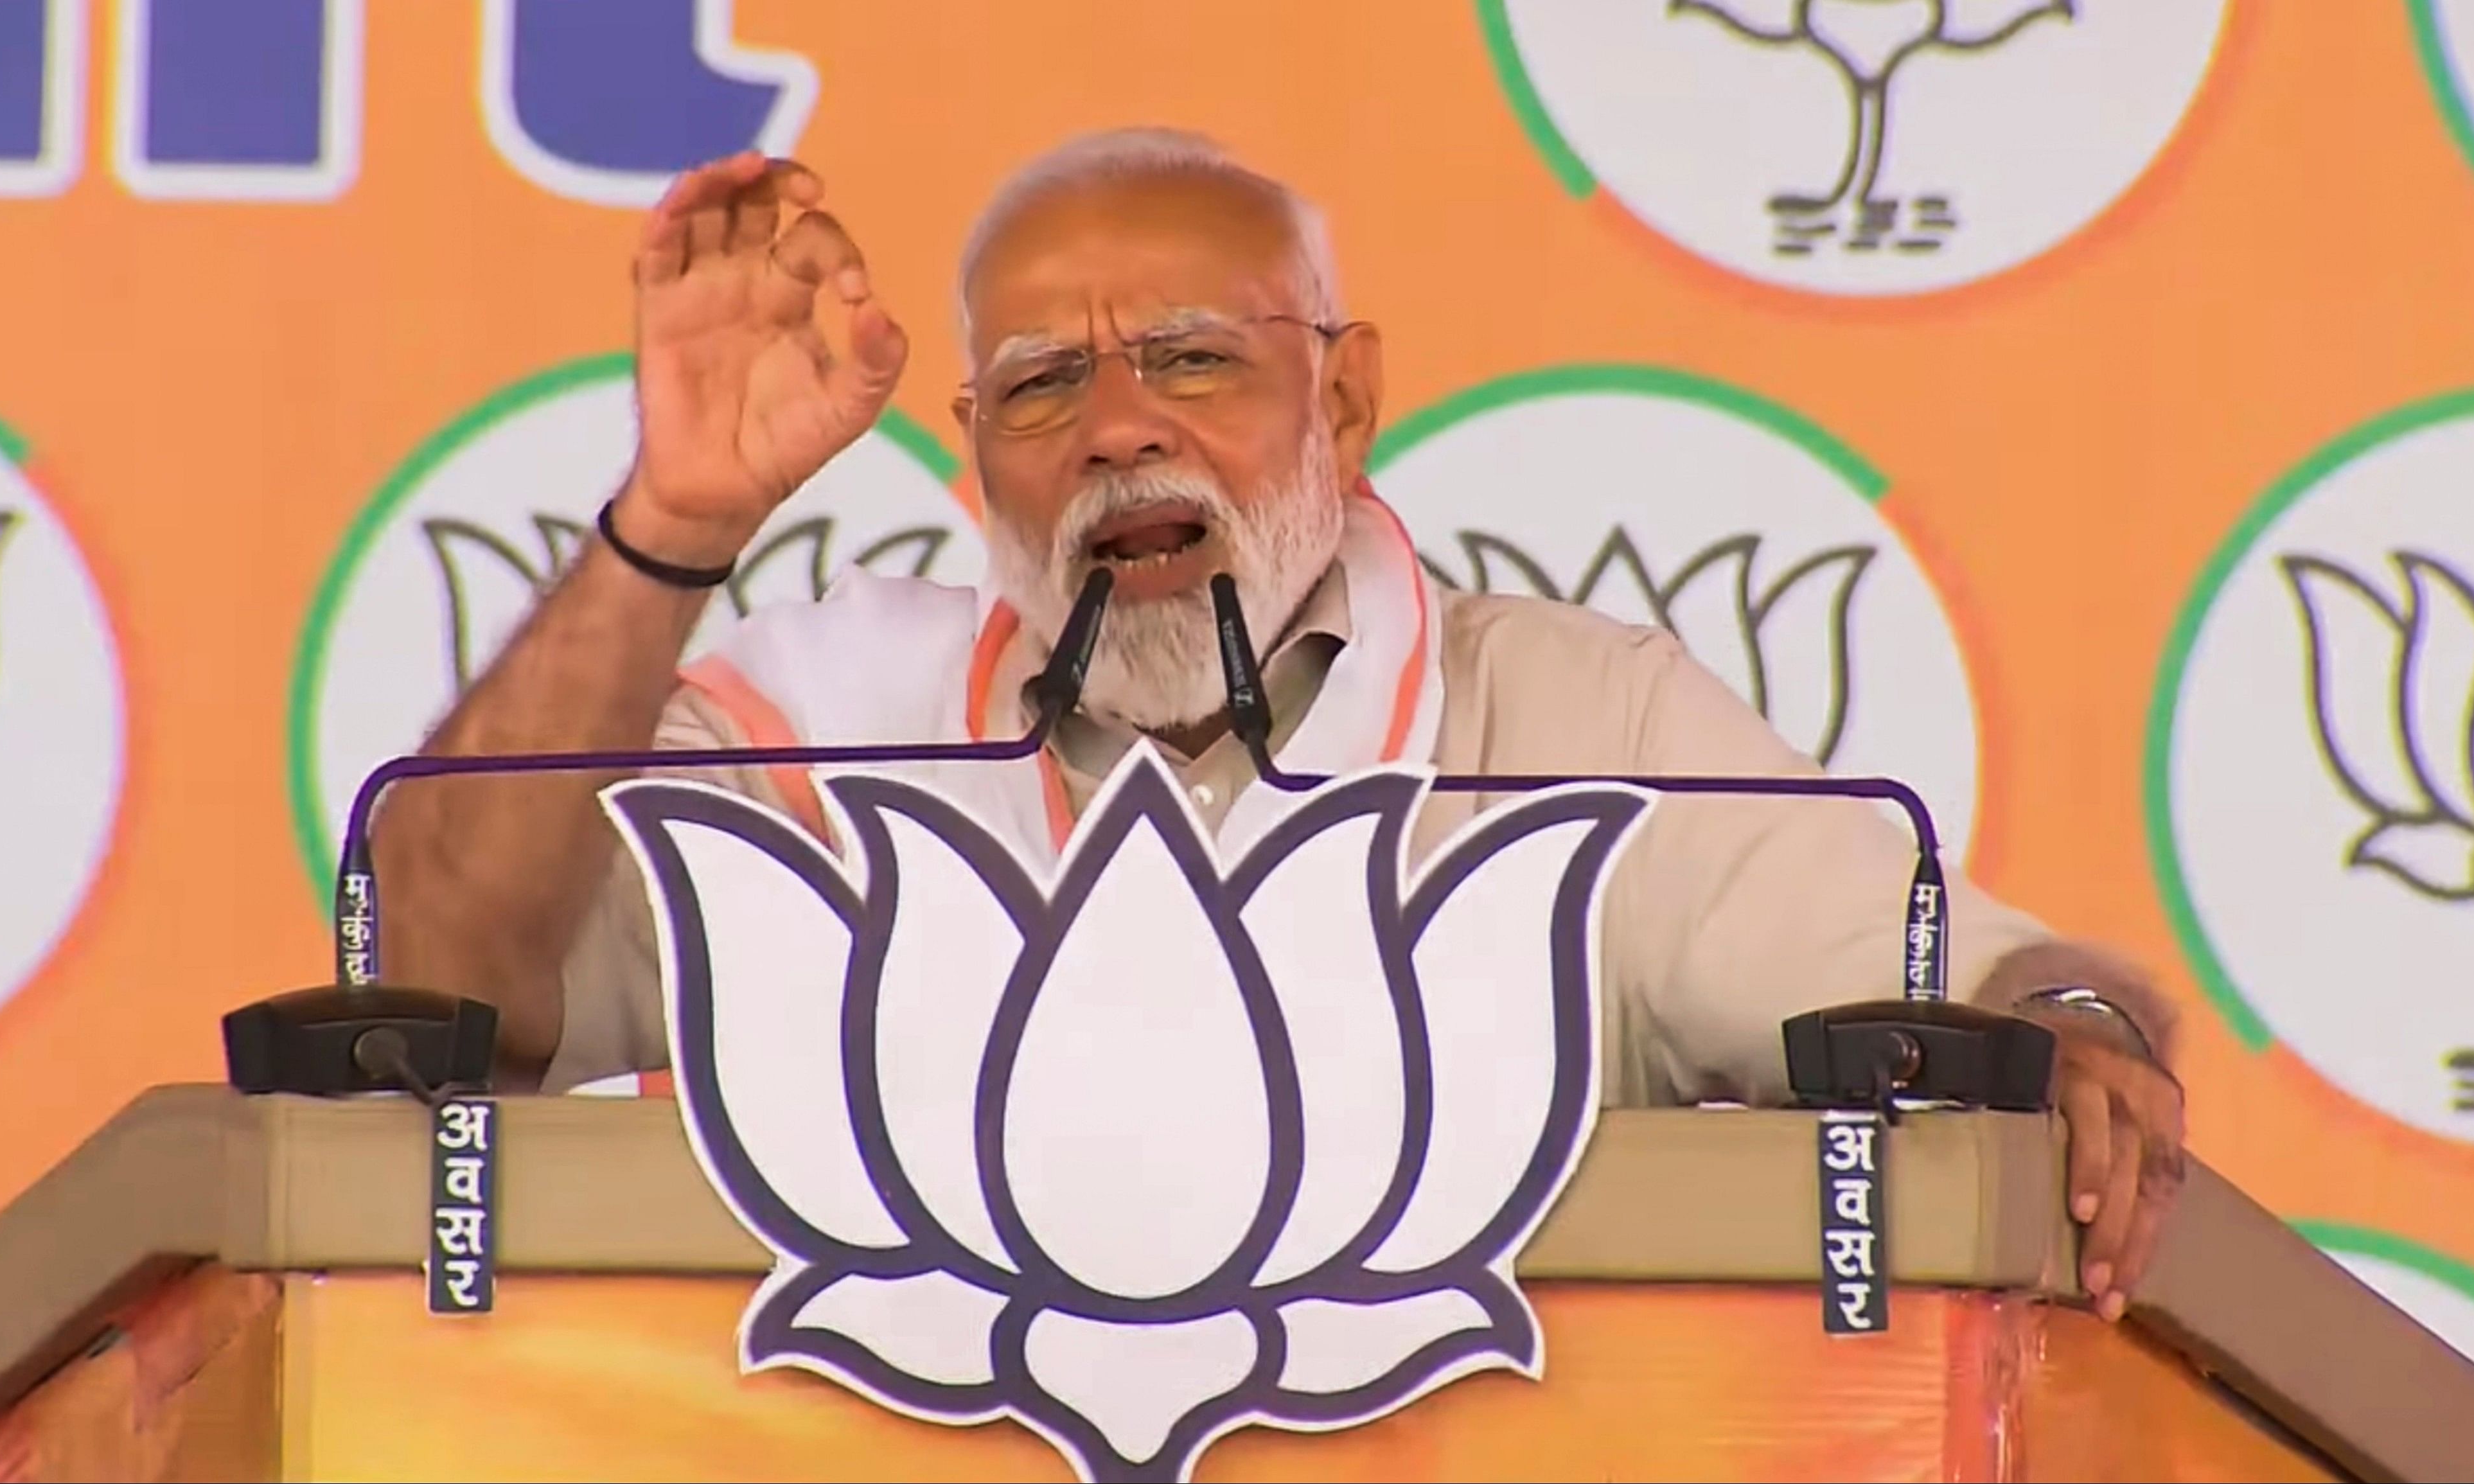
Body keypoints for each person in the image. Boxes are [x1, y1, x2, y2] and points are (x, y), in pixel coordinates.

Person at [370, 128, 2187, 1322]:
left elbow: (1994, 994)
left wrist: (2078, 1030)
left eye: (1190, 359)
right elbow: (435, 971)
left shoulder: (1566, 721)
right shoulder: (830, 728)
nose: (1117, 431)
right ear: (971, 454)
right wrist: (674, 520)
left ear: (1348, 395)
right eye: (1042, 384)